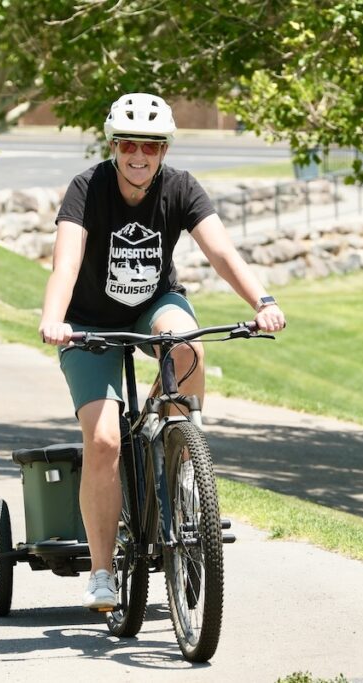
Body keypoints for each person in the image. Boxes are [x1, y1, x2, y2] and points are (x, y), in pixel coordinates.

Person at [39, 92, 286, 609]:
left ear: (164, 151)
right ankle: (104, 572)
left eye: (150, 146)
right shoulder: (87, 188)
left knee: (184, 342)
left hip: (153, 305)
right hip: (87, 324)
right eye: (128, 144)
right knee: (104, 439)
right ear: (113, 145)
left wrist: (262, 300)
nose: (138, 155)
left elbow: (220, 249)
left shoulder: (180, 188)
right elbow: (66, 260)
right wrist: (54, 318)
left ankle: (176, 451)